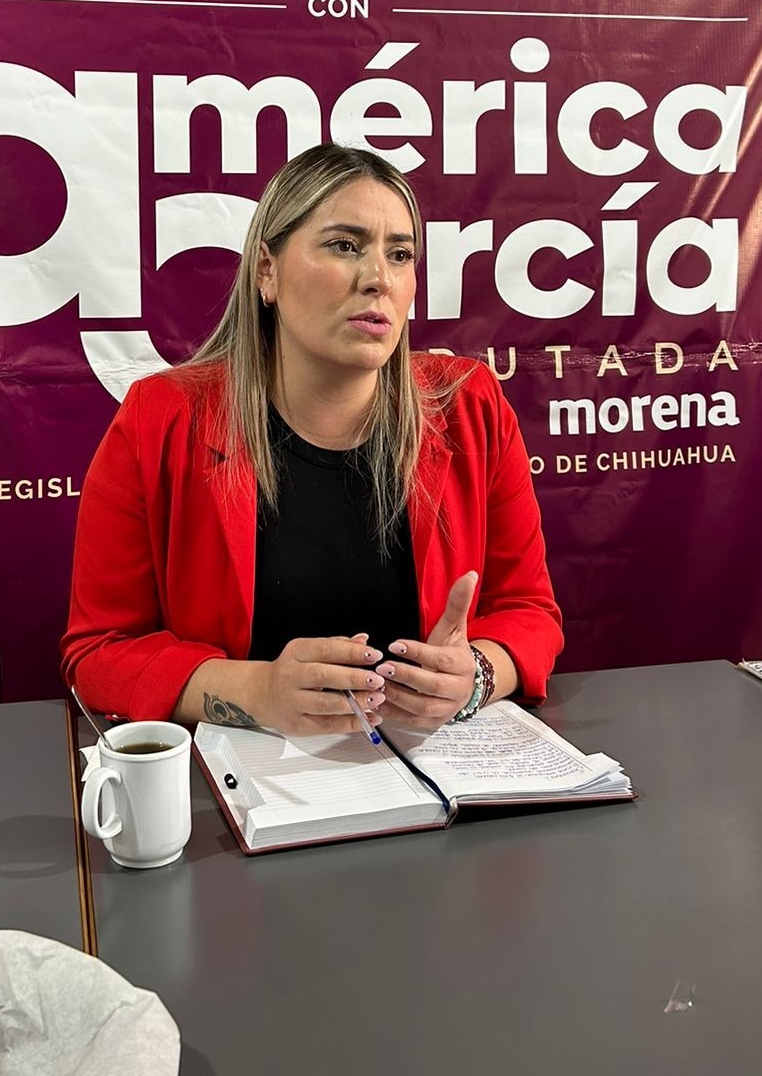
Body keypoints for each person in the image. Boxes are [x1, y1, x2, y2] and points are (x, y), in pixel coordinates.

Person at [60, 143, 562, 732]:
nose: (378, 279)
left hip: (433, 762)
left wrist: (475, 675)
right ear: (266, 271)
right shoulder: (160, 419)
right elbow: (100, 652)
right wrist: (256, 691)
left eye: (400, 255)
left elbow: (529, 611)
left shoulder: (469, 404)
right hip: (245, 773)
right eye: (344, 245)